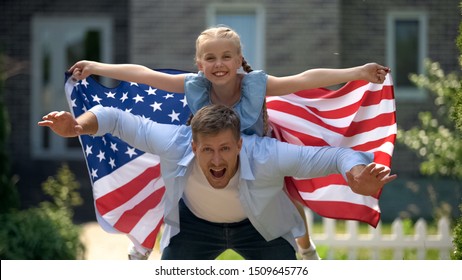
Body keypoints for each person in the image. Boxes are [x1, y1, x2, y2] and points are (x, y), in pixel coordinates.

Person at [68, 26, 390, 259]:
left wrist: (358, 72)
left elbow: (304, 79)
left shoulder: (254, 85)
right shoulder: (194, 85)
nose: (218, 64)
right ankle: (143, 243)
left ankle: (305, 247)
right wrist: (97, 67)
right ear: (199, 64)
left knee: (283, 189)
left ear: (238, 60)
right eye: (210, 58)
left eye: (226, 56)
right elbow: (144, 73)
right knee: (170, 172)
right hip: (212, 143)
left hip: (255, 145)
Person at [38, 104, 397, 260]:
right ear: (193, 145)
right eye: (207, 149)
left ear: (241, 144)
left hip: (259, 229)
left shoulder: (267, 154)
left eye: (226, 148)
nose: (217, 159)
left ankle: (306, 251)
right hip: (194, 227)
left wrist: (354, 175)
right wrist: (78, 126)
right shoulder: (172, 142)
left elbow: (336, 154)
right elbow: (114, 118)